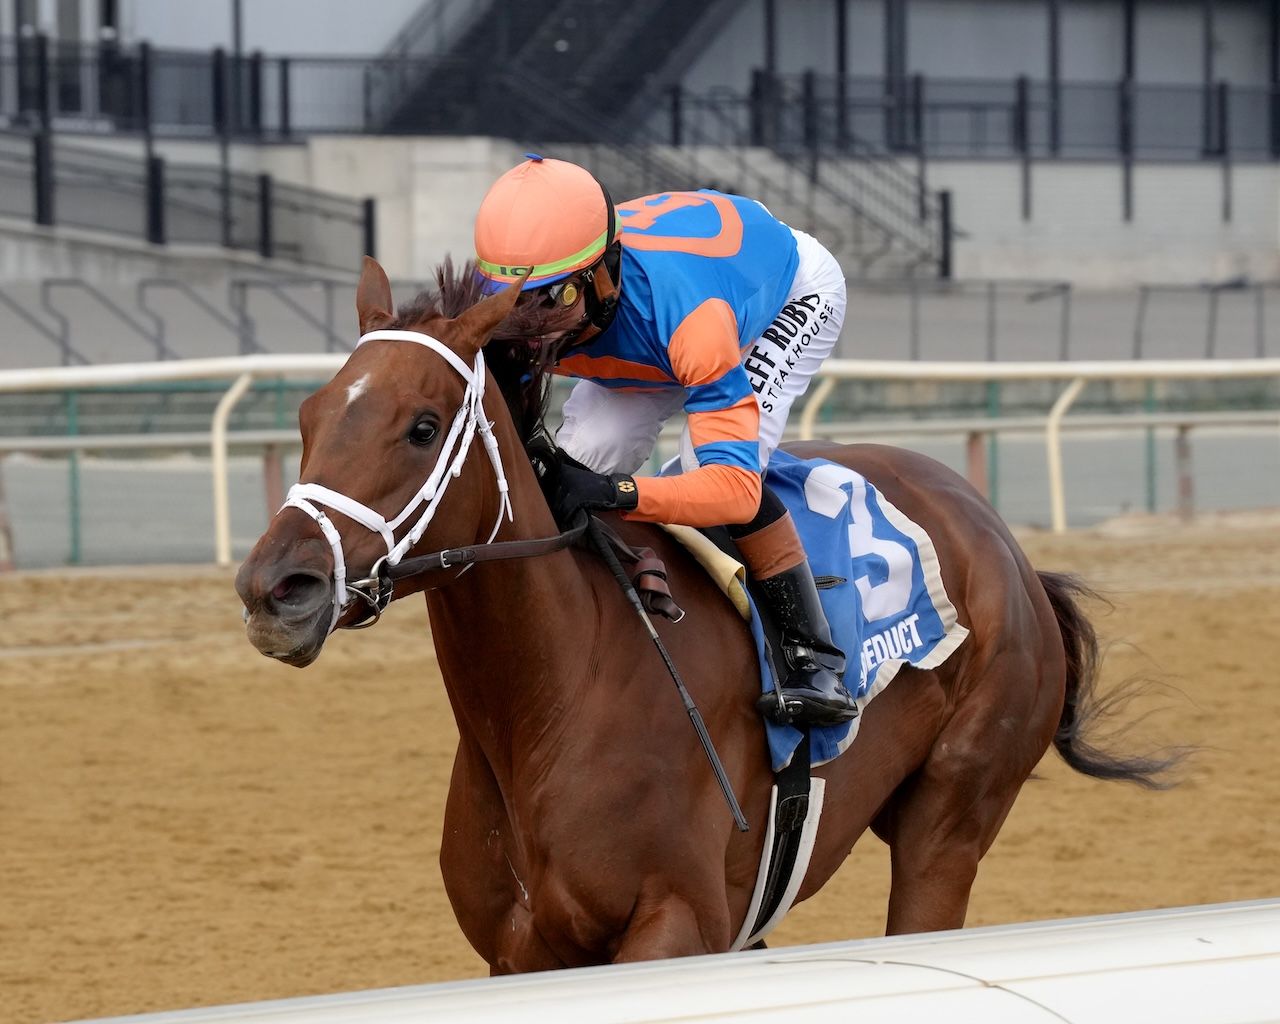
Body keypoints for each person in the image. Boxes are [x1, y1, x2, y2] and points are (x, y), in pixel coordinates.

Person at [474, 155, 856, 728]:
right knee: (581, 459)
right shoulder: (526, 314)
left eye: (555, 301)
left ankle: (815, 657)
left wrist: (618, 492)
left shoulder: (691, 321)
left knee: (703, 474)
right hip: (655, 329)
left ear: (604, 273)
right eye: (516, 302)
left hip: (780, 297)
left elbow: (733, 490)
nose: (534, 330)